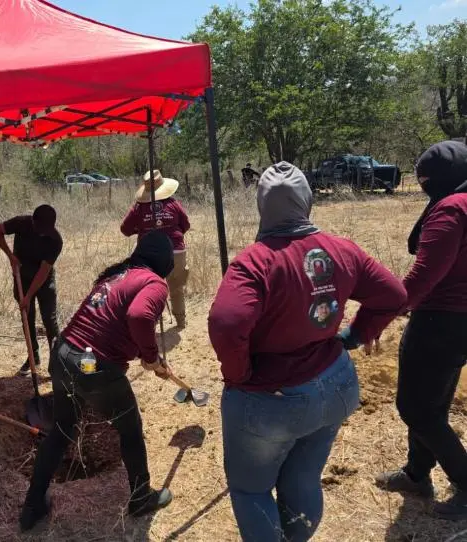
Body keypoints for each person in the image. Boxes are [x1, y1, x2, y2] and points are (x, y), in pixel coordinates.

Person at [207, 162, 407, 542]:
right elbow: (394, 295)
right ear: (307, 201)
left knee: (251, 490)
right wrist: (354, 336)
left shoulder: (255, 262)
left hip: (272, 398)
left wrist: (238, 375)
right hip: (334, 385)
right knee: (303, 475)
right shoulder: (342, 249)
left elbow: (227, 323)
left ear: (262, 207)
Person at [19, 230, 176, 531]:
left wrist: (143, 354)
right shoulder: (154, 283)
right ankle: (141, 497)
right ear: (165, 260)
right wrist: (151, 357)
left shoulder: (118, 275)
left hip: (63, 354)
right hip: (91, 366)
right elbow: (141, 316)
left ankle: (32, 506)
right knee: (130, 429)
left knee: (61, 430)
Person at [374, 141, 467, 519]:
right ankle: (417, 473)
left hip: (439, 321)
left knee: (415, 408)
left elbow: (423, 276)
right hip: (458, 322)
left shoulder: (450, 210)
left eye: (424, 178)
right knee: (433, 402)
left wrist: (381, 313)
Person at [0, 205, 62, 376]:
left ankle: (57, 360)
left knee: (50, 320)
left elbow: (43, 271)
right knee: (27, 318)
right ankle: (33, 356)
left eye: (47, 229)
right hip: (21, 278)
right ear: (33, 221)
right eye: (41, 229)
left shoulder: (55, 240)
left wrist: (29, 296)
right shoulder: (21, 223)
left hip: (43, 282)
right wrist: (10, 255)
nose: (44, 233)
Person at [120, 169, 191, 328]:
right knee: (176, 287)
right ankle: (181, 321)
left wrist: (141, 229)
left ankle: (151, 322)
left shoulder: (138, 207)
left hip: (148, 254)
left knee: (150, 288)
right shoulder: (173, 203)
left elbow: (125, 229)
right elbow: (185, 225)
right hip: (176, 249)